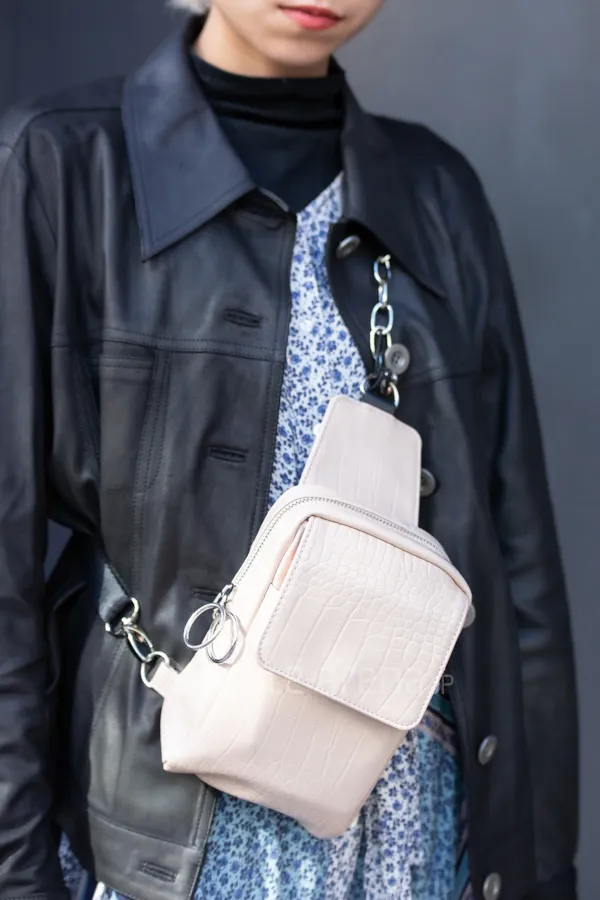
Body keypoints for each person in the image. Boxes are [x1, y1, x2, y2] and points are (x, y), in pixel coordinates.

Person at [0, 2, 579, 899]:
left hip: (411, 832)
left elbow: (519, 570)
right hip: (171, 839)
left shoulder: (436, 192)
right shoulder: (60, 162)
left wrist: (540, 872)